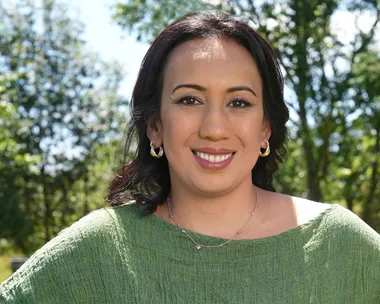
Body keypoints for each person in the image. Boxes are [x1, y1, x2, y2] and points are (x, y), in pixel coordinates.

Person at [1, 10, 379, 304]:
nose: (214, 127)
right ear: (155, 127)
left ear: (265, 128)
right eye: (189, 100)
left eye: (239, 102)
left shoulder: (340, 246)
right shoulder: (100, 249)